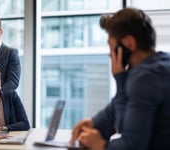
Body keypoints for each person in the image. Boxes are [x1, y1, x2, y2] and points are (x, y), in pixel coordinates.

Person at [70, 7, 170, 150]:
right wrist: (94, 123)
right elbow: (121, 108)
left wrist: (101, 145)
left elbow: (131, 143)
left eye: (111, 47)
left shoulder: (144, 78)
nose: (110, 54)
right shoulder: (159, 64)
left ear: (129, 43)